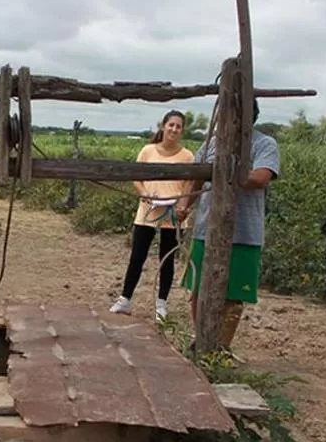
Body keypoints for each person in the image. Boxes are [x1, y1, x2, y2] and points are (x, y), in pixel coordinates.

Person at [176, 99, 279, 350]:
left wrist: (223, 171)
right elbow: (195, 180)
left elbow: (261, 178)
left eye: (235, 114)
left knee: (234, 296)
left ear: (249, 118)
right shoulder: (210, 143)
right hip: (204, 229)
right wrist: (183, 205)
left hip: (245, 233)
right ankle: (201, 341)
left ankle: (221, 348)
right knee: (198, 290)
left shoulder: (264, 144)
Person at [109, 110, 195, 321]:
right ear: (163, 126)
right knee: (137, 256)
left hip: (172, 213)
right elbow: (136, 176)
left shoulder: (187, 156)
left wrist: (183, 206)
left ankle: (161, 304)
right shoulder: (148, 150)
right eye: (171, 125)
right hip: (147, 211)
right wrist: (145, 194)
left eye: (178, 126)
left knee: (166, 260)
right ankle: (125, 298)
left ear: (182, 131)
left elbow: (191, 183)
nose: (174, 129)